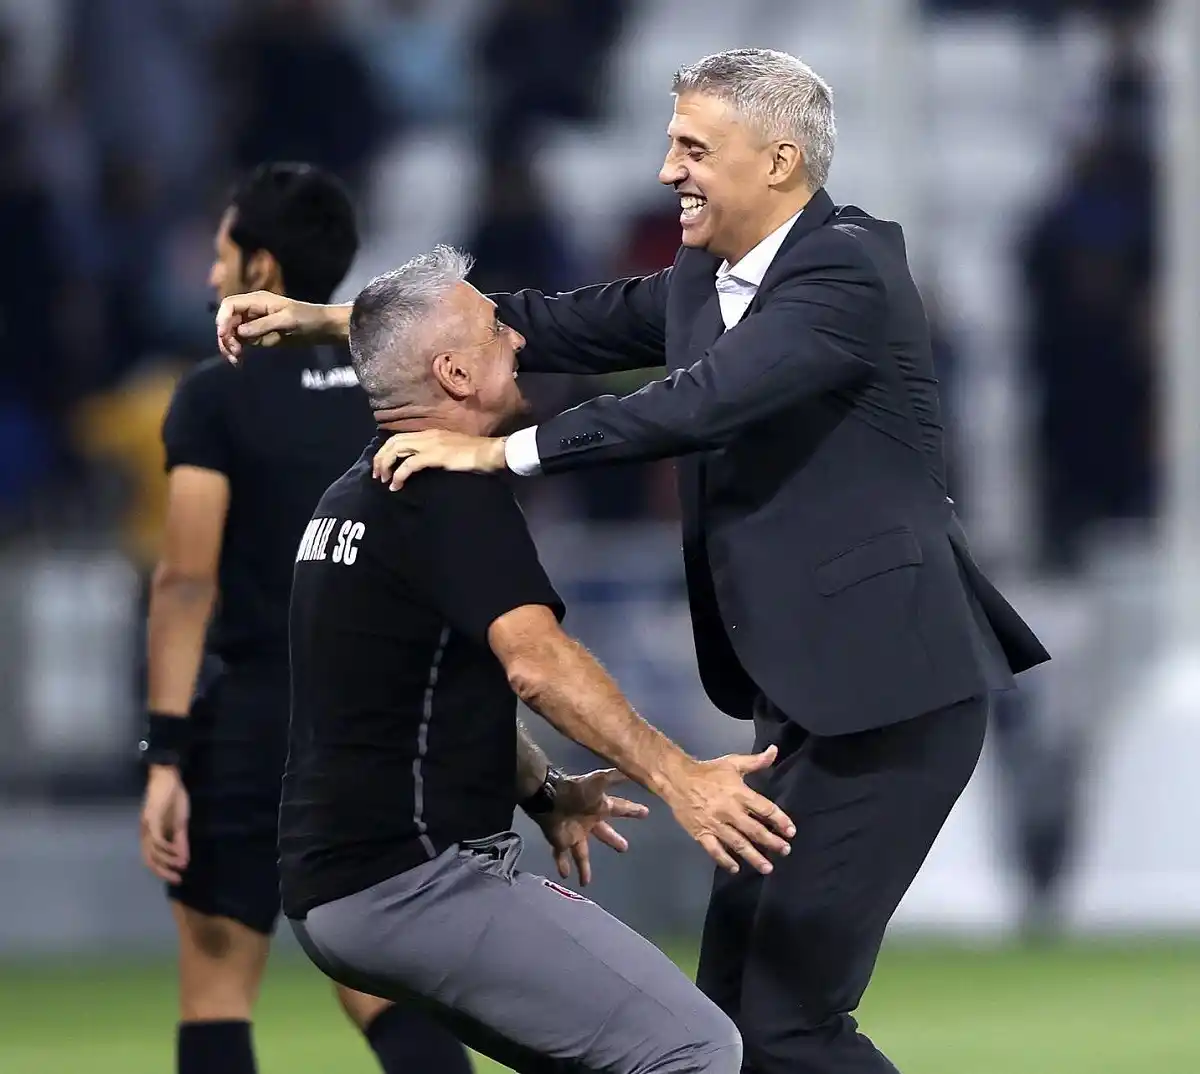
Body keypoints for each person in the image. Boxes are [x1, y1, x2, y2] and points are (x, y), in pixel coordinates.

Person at [214, 48, 1052, 1074]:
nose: (667, 170)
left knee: (785, 1027)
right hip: (810, 706)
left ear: (779, 162)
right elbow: (537, 323)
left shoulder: (848, 270)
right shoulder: (705, 279)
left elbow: (702, 402)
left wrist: (505, 447)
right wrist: (334, 322)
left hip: (894, 697)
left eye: (693, 146)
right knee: (731, 1029)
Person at [280, 246, 797, 1073]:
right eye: (494, 330)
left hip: (338, 890)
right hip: (417, 882)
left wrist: (544, 789)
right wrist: (680, 778)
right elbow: (537, 664)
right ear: (452, 373)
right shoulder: (447, 496)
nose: (518, 339)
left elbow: (421, 688)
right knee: (696, 1048)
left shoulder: (352, 498)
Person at [137, 163, 472, 1074]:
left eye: (221, 256)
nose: (211, 277)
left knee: (214, 988)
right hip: (377, 730)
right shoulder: (391, 397)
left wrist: (165, 751)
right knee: (386, 987)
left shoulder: (214, 396)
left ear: (261, 269)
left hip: (254, 719)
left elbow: (184, 583)